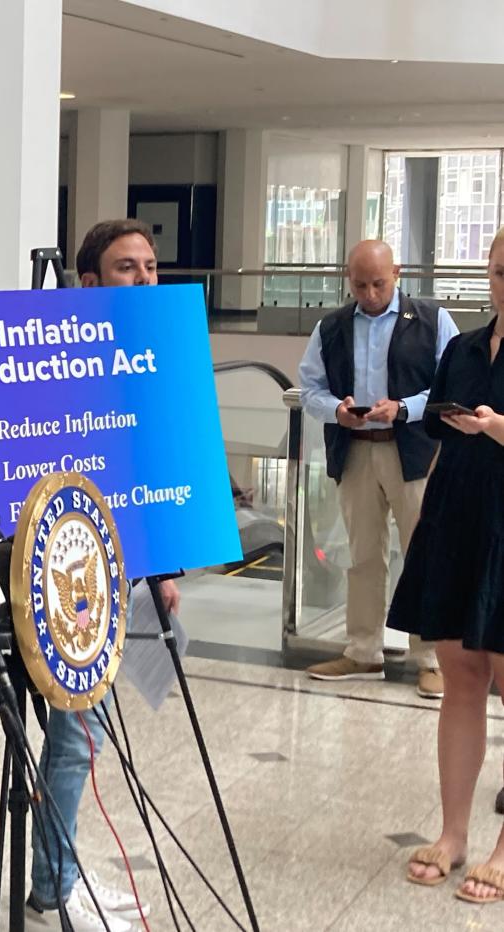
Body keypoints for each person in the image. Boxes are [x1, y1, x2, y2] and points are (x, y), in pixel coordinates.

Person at [26, 219, 179, 932]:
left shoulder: (151, 354)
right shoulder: (57, 362)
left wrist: (162, 567)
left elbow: (145, 473)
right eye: (126, 268)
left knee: (86, 739)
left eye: (150, 266)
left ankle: (63, 874)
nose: (145, 279)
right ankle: (55, 887)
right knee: (74, 740)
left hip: (130, 572)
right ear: (89, 283)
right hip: (72, 576)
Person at [298, 240, 458, 698]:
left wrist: (404, 408)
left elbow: (449, 387)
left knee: (422, 555)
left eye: (378, 283)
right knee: (363, 556)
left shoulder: (432, 320)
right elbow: (309, 389)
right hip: (357, 452)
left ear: (398, 273)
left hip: (413, 453)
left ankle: (430, 658)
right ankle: (363, 652)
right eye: (359, 284)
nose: (369, 293)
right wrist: (337, 411)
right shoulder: (331, 327)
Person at [398, 227, 504, 902]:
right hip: (460, 518)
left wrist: (497, 426)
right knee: (460, 674)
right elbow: (437, 423)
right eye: (499, 268)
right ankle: (455, 831)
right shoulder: (464, 347)